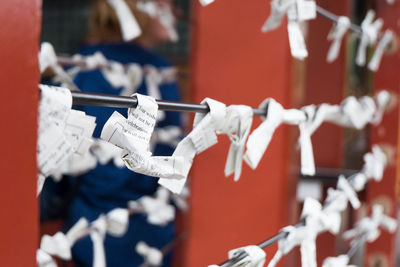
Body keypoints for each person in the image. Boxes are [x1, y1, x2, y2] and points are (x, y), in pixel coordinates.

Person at [60, 0, 182, 266]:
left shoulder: (81, 66)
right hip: (147, 225)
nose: (176, 11)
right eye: (166, 3)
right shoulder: (160, 71)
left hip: (91, 226)